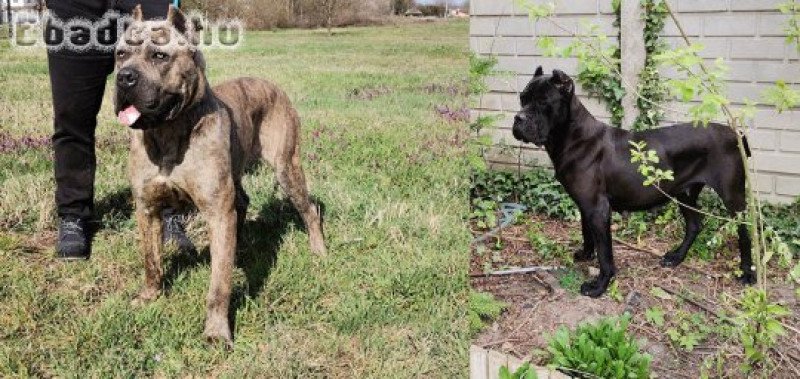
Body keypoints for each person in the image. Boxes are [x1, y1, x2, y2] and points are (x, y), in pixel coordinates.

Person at [46, 0, 193, 259]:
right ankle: (73, 214)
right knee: (72, 115)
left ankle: (170, 209)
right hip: (75, 7)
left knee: (166, 108)